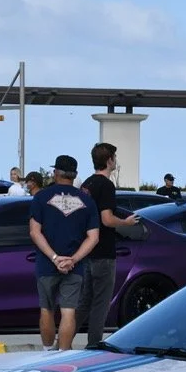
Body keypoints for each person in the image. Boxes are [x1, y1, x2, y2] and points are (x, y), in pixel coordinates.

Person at [28, 155, 99, 351]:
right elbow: (93, 237)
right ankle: (63, 354)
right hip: (74, 266)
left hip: (46, 264)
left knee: (47, 309)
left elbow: (34, 232)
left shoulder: (41, 197)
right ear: (74, 175)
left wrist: (54, 258)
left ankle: (47, 352)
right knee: (69, 312)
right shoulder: (87, 201)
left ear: (55, 173)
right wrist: (73, 259)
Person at [79, 143, 137, 348]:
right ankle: (94, 345)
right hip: (103, 251)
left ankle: (64, 342)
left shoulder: (86, 184)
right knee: (101, 303)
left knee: (84, 302)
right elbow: (107, 219)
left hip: (86, 250)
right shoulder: (106, 185)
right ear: (109, 160)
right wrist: (126, 223)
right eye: (114, 157)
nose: (116, 161)